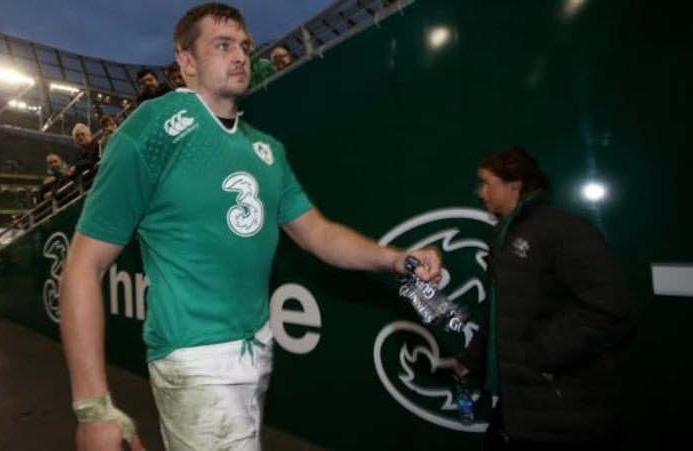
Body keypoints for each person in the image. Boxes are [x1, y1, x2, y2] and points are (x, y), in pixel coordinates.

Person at [59, 3, 443, 451]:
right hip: (196, 359)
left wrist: (393, 258)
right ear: (186, 62)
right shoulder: (153, 127)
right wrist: (93, 408)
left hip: (257, 347)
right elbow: (83, 267)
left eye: (244, 45)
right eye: (222, 45)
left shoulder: (265, 148)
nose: (240, 55)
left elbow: (316, 232)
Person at [450, 147, 635, 450]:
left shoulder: (564, 231)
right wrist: (472, 360)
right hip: (520, 407)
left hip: (565, 411)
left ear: (514, 184)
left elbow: (611, 310)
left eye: (486, 182)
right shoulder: (504, 238)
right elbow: (501, 310)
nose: (480, 192)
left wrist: (542, 355)